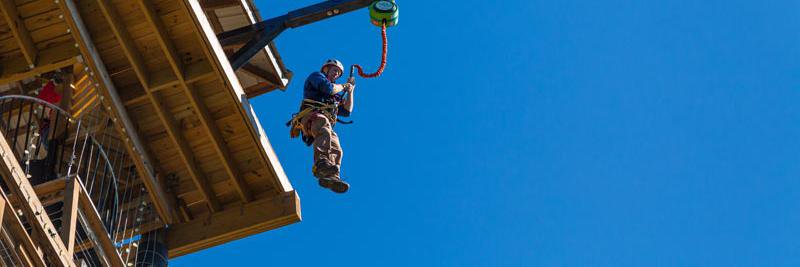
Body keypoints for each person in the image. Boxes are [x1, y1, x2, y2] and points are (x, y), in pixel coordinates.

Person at [288, 59, 355, 193]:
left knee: (337, 148)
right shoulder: (317, 77)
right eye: (334, 70)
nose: (336, 74)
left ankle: (332, 176)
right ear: (326, 69)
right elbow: (329, 89)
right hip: (313, 117)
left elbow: (347, 111)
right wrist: (344, 86)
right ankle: (322, 162)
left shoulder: (335, 96)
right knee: (324, 126)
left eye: (339, 72)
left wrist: (351, 91)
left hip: (324, 123)